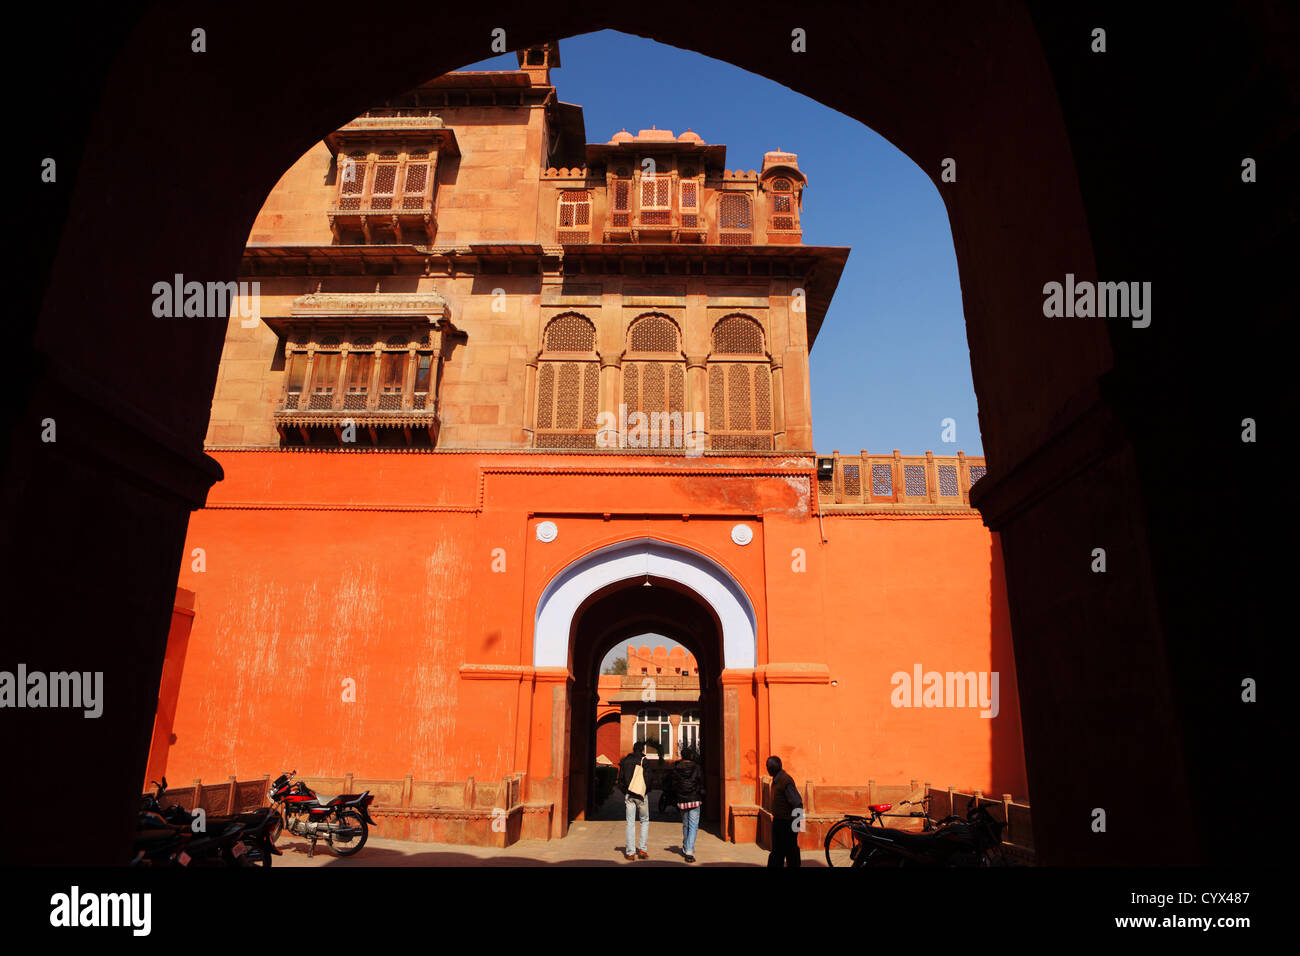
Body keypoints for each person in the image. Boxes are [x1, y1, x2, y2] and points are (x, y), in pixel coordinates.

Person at [670, 745, 705, 863]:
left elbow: (674, 785)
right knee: (693, 825)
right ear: (691, 756)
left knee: (686, 824)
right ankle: (689, 851)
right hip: (694, 799)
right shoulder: (697, 768)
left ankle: (685, 847)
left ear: (681, 756)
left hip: (682, 800)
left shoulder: (676, 768)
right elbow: (700, 783)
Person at [766, 755, 803, 867]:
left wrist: (797, 826)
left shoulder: (785, 781)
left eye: (768, 767)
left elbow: (797, 802)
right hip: (779, 822)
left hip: (787, 823)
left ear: (771, 769)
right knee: (779, 852)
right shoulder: (777, 780)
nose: (767, 769)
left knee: (790, 852)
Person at [617, 741, 650, 860]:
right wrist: (645, 791)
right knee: (644, 821)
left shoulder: (625, 761)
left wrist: (625, 791)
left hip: (629, 795)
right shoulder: (644, 761)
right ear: (642, 750)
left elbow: (620, 779)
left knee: (630, 823)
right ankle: (642, 849)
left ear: (633, 749)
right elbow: (649, 779)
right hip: (641, 795)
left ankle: (630, 852)